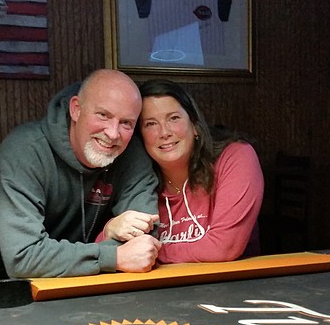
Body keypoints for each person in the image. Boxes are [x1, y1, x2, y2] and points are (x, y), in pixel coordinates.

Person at [0, 69, 161, 279]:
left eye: (126, 123)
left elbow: (143, 244)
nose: (113, 133)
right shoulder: (24, 150)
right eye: (103, 115)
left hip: (98, 279)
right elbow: (23, 258)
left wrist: (108, 242)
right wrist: (112, 254)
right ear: (76, 109)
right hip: (13, 286)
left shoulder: (132, 153)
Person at [99, 79, 264, 263]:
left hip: (234, 286)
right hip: (158, 289)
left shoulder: (235, 156)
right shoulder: (139, 182)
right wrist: (109, 231)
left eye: (173, 118)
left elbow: (224, 248)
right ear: (140, 137)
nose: (164, 132)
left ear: (194, 125)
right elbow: (105, 251)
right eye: (151, 124)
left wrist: (146, 253)